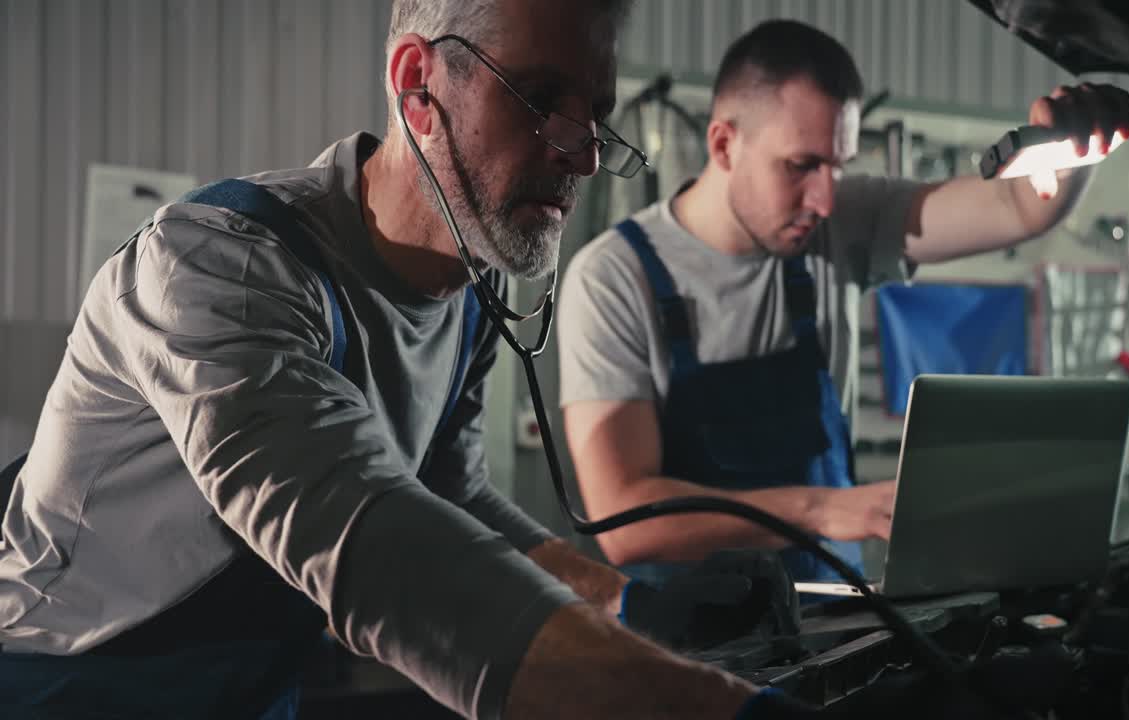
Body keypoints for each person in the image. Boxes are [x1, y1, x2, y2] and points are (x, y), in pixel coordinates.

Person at [0, 2, 832, 719]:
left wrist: (633, 606)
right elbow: (367, 539)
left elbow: (451, 497)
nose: (582, 155)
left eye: (596, 113)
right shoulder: (219, 269)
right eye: (543, 100)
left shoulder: (464, 297)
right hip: (64, 689)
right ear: (418, 85)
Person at [558, 20, 1129, 585]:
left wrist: (1076, 146)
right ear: (724, 144)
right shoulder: (613, 279)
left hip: (837, 626)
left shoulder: (840, 228)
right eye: (802, 165)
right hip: (687, 655)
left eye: (838, 166)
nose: (826, 199)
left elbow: (1016, 208)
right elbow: (624, 519)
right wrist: (824, 510)